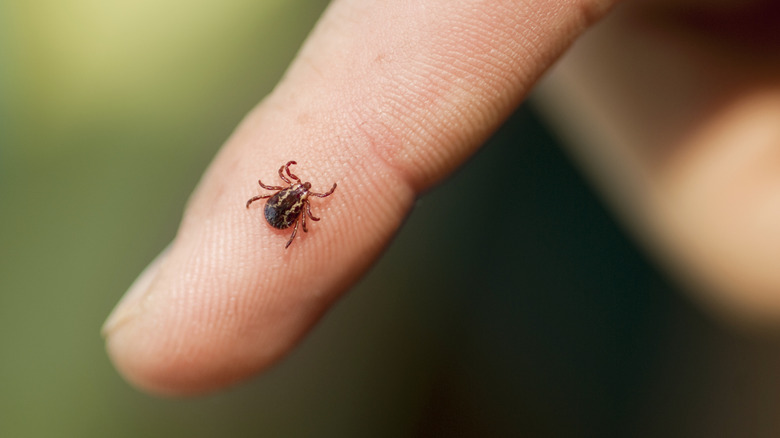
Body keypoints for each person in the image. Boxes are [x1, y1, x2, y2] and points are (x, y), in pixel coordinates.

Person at [102, 0, 780, 395]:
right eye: (293, 192)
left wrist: (284, 211)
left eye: (292, 192)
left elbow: (281, 204)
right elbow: (291, 207)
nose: (293, 194)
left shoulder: (291, 200)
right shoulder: (299, 201)